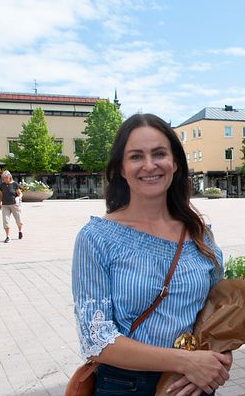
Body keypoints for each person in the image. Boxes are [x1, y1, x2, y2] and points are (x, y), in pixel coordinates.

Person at [72, 113, 231, 396]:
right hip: (124, 386)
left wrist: (220, 359)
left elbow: (223, 312)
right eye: (136, 156)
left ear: (175, 163)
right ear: (121, 168)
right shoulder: (96, 238)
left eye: (159, 154)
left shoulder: (199, 232)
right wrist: (186, 362)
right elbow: (96, 340)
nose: (149, 165)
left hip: (193, 386)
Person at [0, 170, 23, 243]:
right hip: (5, 205)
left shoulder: (15, 184)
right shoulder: (2, 185)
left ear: (10, 177)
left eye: (6, 177)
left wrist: (18, 197)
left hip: (14, 204)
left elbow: (20, 193)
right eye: (3, 178)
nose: (5, 179)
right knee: (5, 221)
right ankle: (8, 236)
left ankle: (20, 231)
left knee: (19, 220)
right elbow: (1, 195)